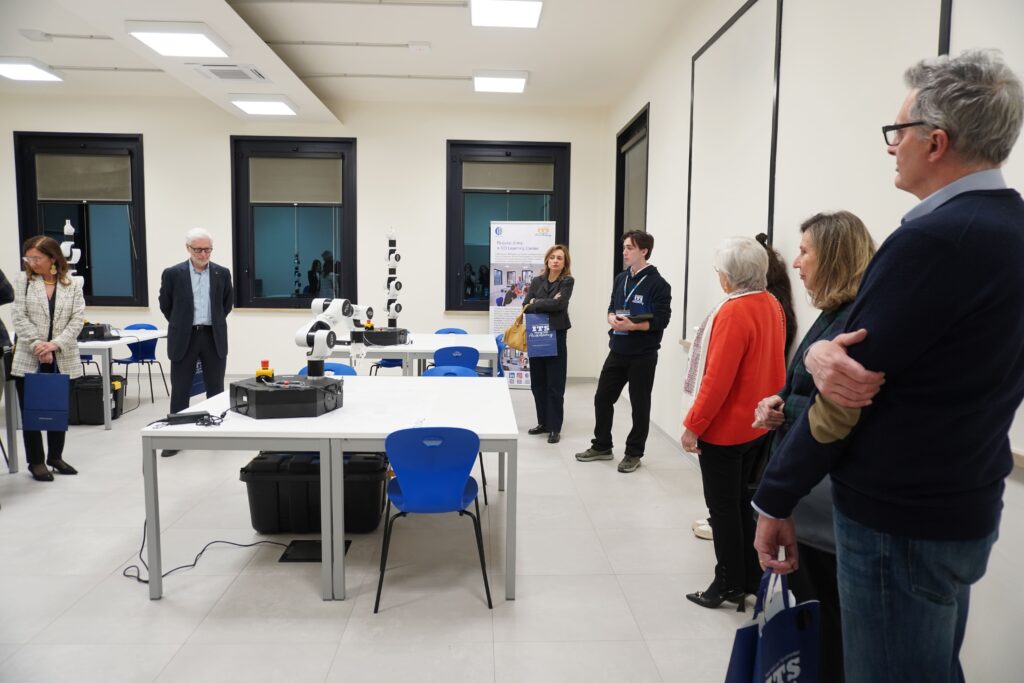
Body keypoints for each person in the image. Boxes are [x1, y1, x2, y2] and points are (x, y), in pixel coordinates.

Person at [753, 50, 1024, 683]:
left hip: (897, 519)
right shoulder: (1010, 230)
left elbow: (847, 393)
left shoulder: (934, 241)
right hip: (965, 500)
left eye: (897, 132)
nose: (890, 147)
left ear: (936, 142)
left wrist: (775, 496)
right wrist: (822, 352)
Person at [751, 211, 876, 681]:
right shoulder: (830, 315)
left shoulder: (856, 323)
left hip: (825, 505)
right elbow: (804, 389)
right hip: (809, 499)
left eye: (805, 251)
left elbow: (847, 409)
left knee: (826, 631)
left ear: (835, 256)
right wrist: (778, 401)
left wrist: (789, 409)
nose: (796, 262)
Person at [680, 237, 786, 611]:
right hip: (757, 426)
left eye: (719, 272)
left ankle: (726, 583)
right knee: (742, 505)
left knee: (722, 510)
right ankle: (748, 578)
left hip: (725, 432)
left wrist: (694, 424)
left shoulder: (733, 312)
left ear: (729, 277)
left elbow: (716, 379)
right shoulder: (771, 303)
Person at [576, 230, 672, 473]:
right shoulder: (621, 278)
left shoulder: (659, 284)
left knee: (639, 406)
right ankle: (602, 446)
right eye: (624, 247)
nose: (625, 252)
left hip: (643, 354)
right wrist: (611, 317)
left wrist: (634, 326)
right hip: (618, 350)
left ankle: (634, 453)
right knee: (602, 398)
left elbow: (662, 320)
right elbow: (612, 305)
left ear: (644, 251)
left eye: (630, 248)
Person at [10, 236, 85, 481]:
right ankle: (36, 461)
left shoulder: (71, 284)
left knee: (57, 409)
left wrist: (55, 344)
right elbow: (18, 317)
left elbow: (77, 320)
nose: (31, 262)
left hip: (63, 356)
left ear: (53, 258)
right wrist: (39, 346)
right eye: (28, 258)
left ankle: (55, 457)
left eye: (37, 258)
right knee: (31, 412)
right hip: (29, 356)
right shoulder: (23, 281)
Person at [159, 228, 233, 457]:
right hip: (185, 336)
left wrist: (211, 322)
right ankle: (176, 438)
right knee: (180, 389)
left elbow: (226, 305)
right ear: (188, 249)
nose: (203, 254)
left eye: (207, 250)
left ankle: (216, 434)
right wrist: (182, 323)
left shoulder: (222, 273)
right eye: (198, 250)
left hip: (212, 336)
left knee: (216, 388)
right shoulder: (173, 274)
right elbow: (166, 305)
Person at [523, 244, 575, 444]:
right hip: (537, 335)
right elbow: (525, 305)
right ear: (547, 260)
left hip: (556, 335)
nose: (555, 261)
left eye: (559, 258)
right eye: (552, 257)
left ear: (564, 262)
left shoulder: (567, 281)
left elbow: (560, 304)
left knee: (555, 383)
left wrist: (537, 302)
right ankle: (543, 422)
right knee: (538, 383)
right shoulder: (537, 281)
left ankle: (554, 427)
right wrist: (546, 302)